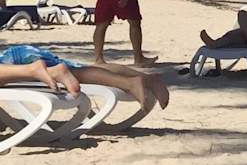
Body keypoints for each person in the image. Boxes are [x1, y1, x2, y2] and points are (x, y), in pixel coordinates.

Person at [0, 43, 169, 118]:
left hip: (16, 61)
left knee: (80, 74)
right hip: (17, 55)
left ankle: (130, 83)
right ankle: (147, 79)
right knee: (82, 69)